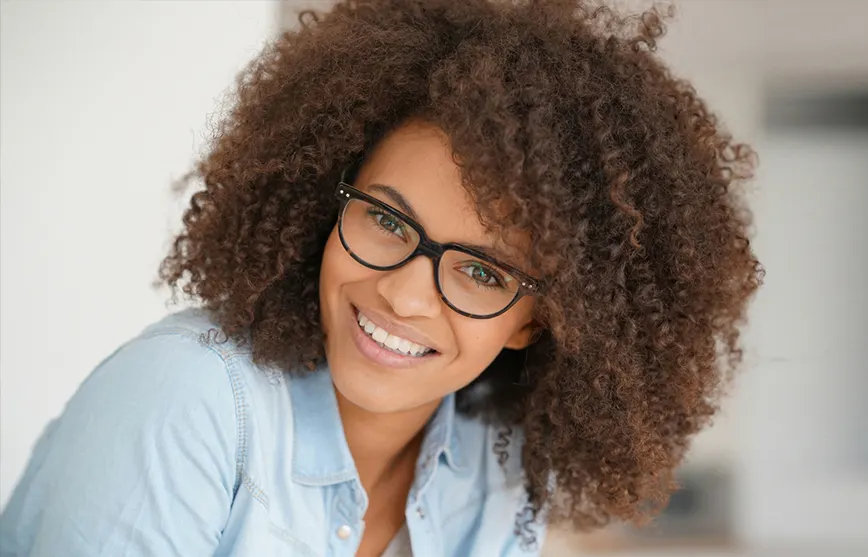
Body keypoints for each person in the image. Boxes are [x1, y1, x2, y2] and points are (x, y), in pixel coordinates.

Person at [0, 1, 761, 556]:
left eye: (480, 271)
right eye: (388, 222)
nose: (402, 293)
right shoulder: (186, 398)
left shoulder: (494, 465)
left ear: (535, 318)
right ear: (328, 198)